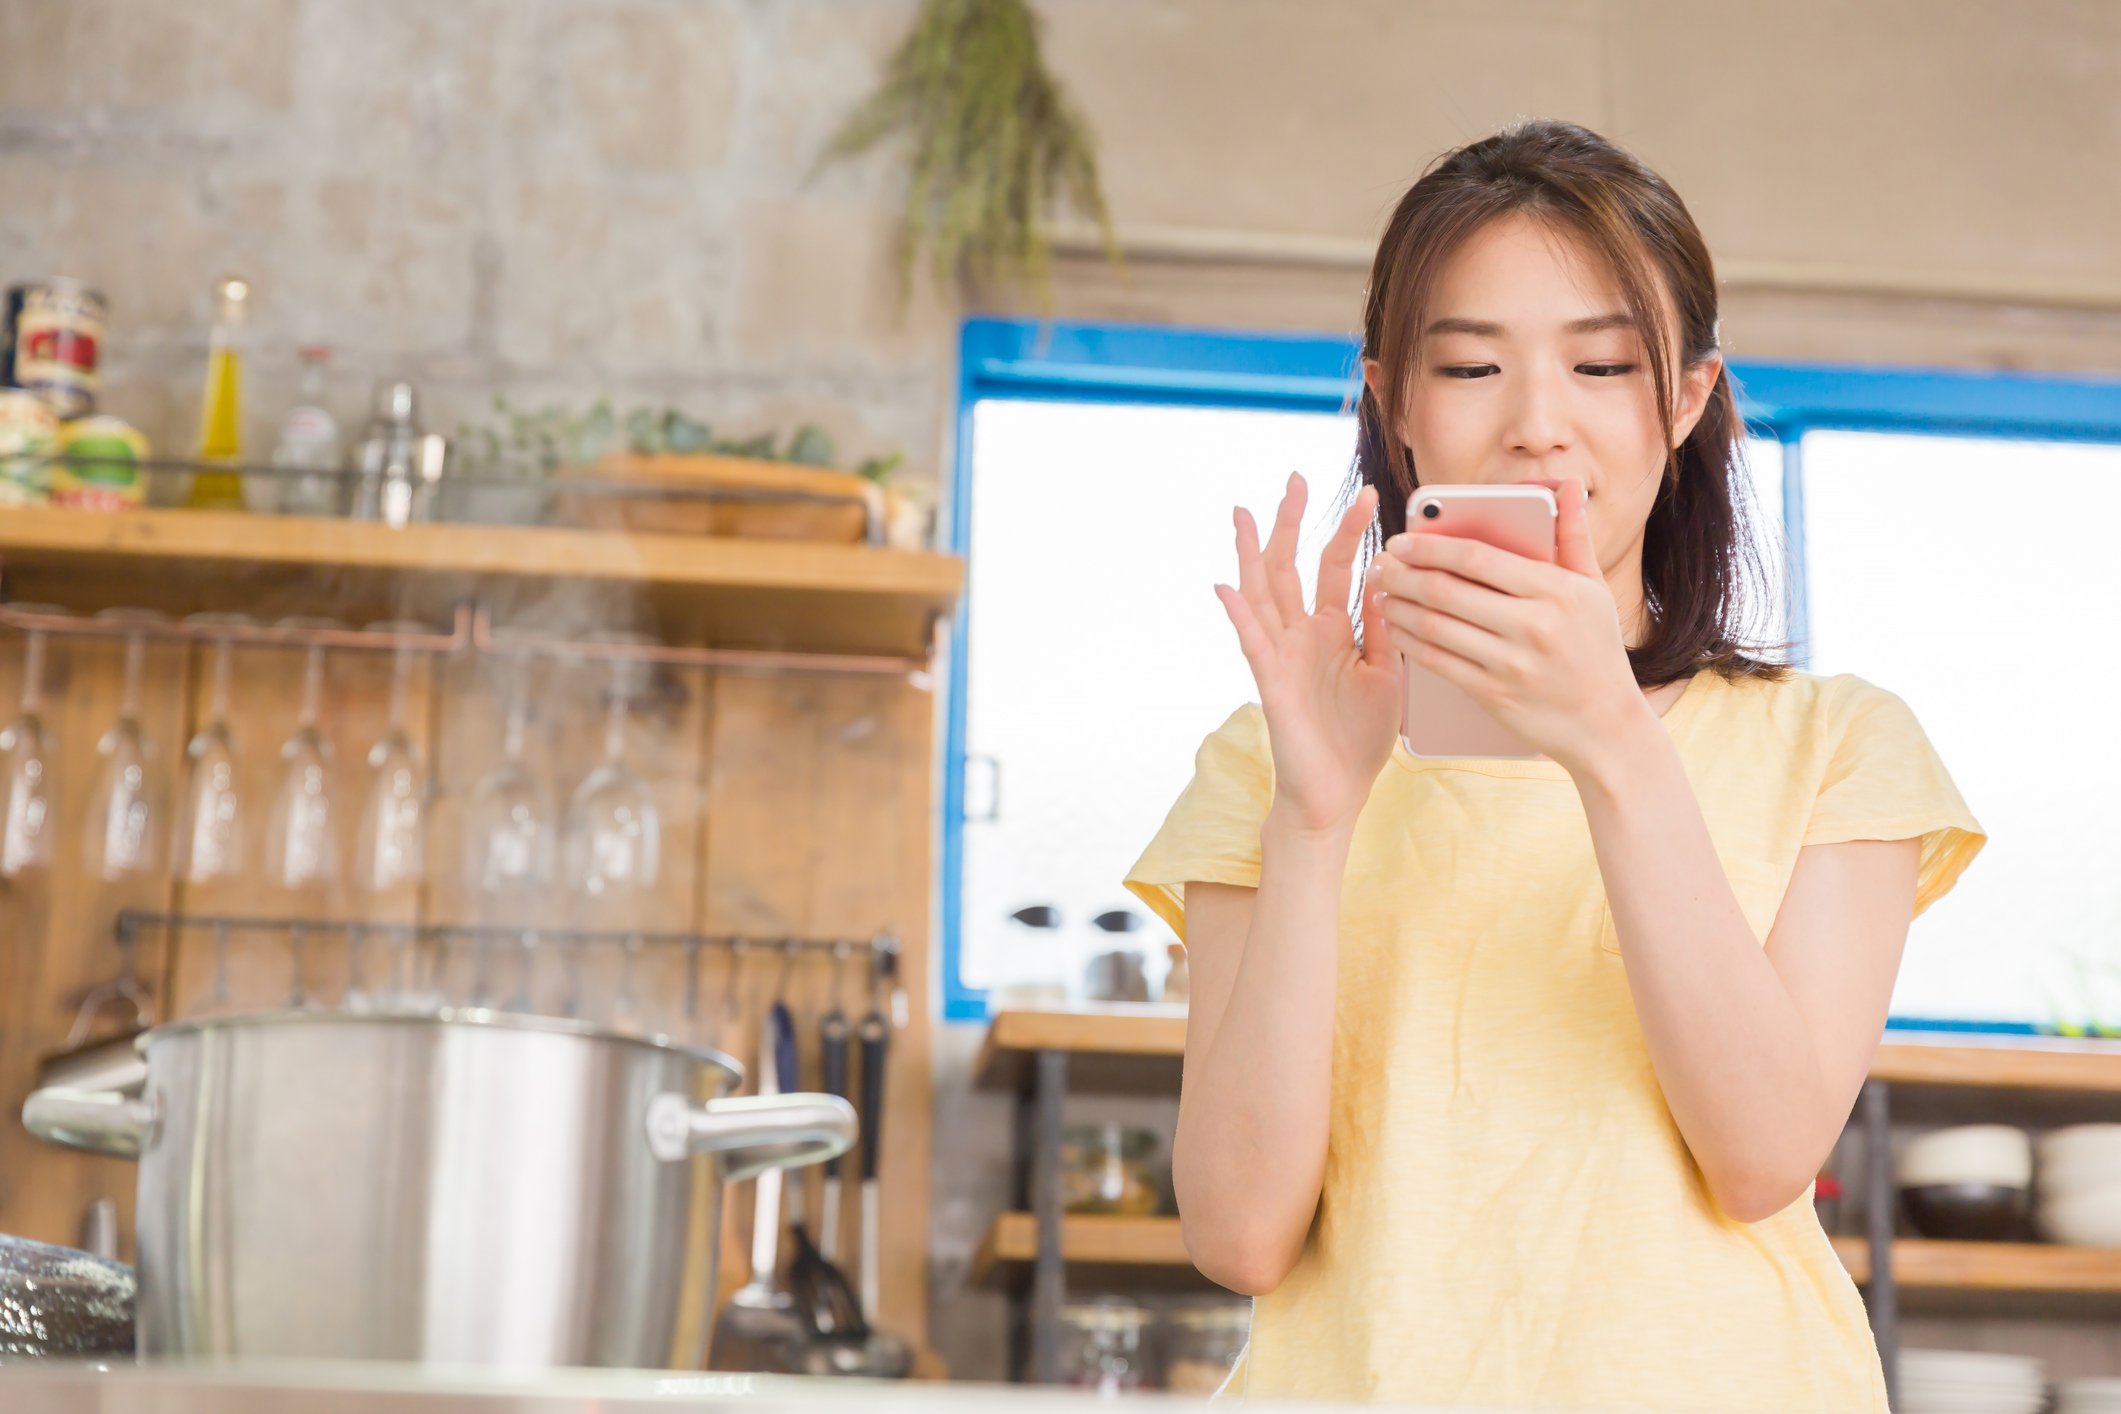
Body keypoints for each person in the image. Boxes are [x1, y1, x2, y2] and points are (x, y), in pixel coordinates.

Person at [1121, 119, 1985, 1411]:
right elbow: (1240, 1232)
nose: (1539, 427)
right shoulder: (1275, 758)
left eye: (1599, 364)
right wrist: (1314, 815)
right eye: (1470, 365)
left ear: (1686, 400)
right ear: (1393, 403)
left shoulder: (1837, 745)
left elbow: (1758, 1156)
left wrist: (1610, 739)